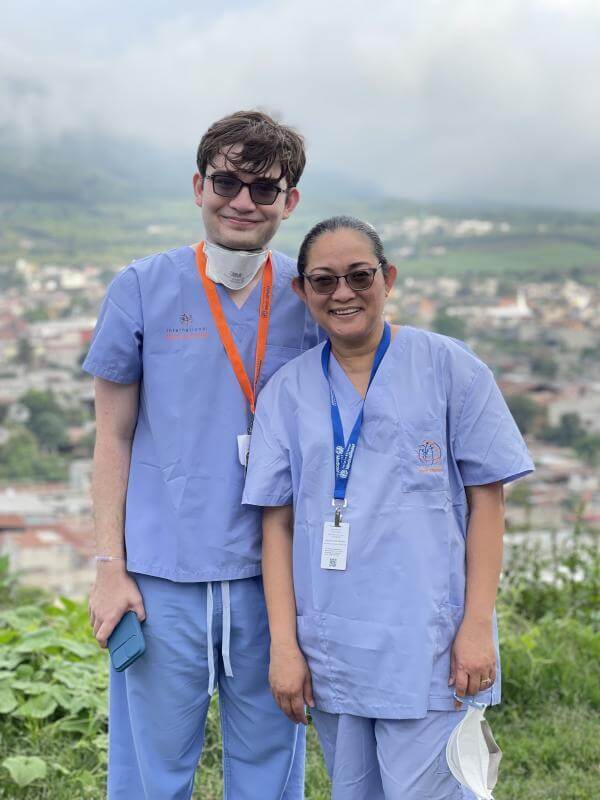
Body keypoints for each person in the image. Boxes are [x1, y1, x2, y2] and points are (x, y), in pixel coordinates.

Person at [242, 216, 534, 799]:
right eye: (323, 281)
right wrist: (284, 647)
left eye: (359, 276)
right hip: (332, 647)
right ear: (302, 292)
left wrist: (477, 627)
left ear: (388, 278)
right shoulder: (287, 392)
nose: (343, 293)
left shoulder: (449, 367)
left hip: (429, 645)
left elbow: (488, 503)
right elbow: (274, 526)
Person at [84, 110, 318, 800]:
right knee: (150, 776)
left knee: (272, 771)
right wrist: (108, 568)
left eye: (264, 188)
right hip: (161, 578)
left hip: (272, 582)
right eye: (227, 180)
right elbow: (112, 436)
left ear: (289, 202)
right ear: (198, 185)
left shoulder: (310, 295)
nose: (243, 201)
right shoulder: (141, 288)